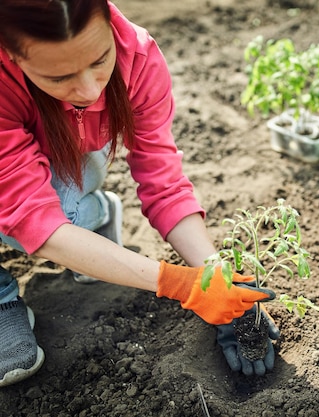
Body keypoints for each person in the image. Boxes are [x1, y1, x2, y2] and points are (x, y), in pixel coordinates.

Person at [0, 0, 279, 387]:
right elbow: (30, 219)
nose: (89, 90)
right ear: (11, 54)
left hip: (62, 152)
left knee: (66, 211)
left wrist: (214, 275)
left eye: (99, 60)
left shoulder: (139, 57)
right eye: (59, 77)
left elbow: (164, 184)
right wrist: (180, 284)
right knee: (17, 225)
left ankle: (87, 211)